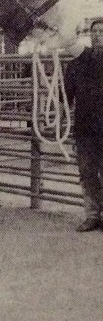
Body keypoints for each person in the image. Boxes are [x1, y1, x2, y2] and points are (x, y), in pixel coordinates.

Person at [64, 19, 103, 232]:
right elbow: (66, 97)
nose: (97, 35)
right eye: (94, 31)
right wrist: (62, 119)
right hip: (85, 128)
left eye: (101, 32)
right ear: (89, 35)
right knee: (87, 173)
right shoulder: (76, 63)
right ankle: (92, 216)